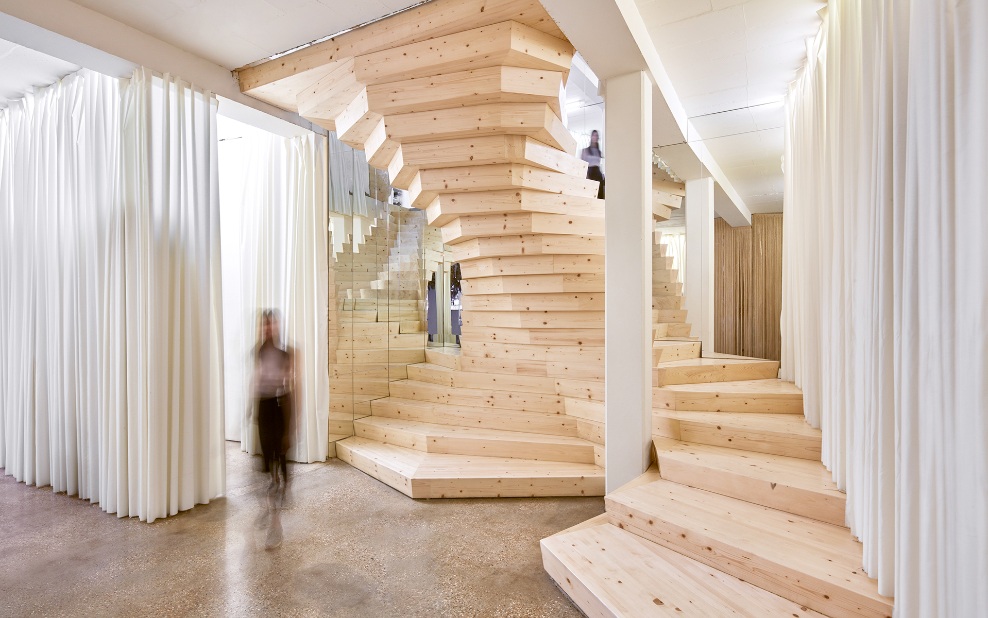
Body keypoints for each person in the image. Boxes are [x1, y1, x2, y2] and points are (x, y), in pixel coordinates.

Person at [252, 310, 296, 548]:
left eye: (272, 325)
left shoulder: (285, 353)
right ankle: (273, 505)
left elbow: (291, 386)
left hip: (280, 406)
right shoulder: (258, 351)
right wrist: (254, 411)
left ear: (278, 327)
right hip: (264, 407)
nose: (269, 329)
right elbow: (257, 381)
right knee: (268, 466)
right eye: (265, 325)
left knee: (279, 463)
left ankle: (275, 526)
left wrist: (291, 425)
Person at [581, 130, 605, 199]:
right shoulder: (585, 150)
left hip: (598, 174)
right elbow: (583, 165)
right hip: (589, 173)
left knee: (599, 196)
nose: (595, 137)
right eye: (594, 135)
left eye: (596, 135)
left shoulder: (599, 152)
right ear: (591, 137)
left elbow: (598, 164)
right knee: (590, 196)